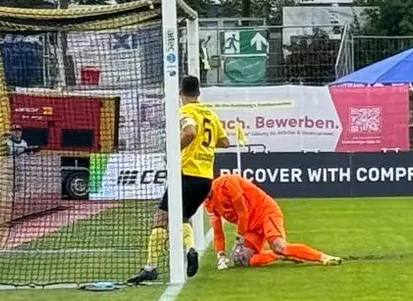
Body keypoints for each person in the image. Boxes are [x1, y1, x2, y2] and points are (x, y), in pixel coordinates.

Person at [129, 76, 229, 285]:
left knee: (160, 218)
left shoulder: (185, 111)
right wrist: (204, 148)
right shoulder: (210, 114)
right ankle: (190, 249)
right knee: (182, 218)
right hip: (205, 178)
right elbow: (225, 142)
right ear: (198, 93)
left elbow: (190, 132)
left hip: (186, 173)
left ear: (181, 93)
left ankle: (151, 266)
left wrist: (174, 149)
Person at [207, 173, 342, 268]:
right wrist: (221, 255)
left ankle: (323, 257)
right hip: (250, 226)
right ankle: (277, 256)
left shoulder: (228, 183)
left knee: (279, 246)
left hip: (265, 213)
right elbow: (217, 230)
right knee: (242, 261)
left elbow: (243, 214)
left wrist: (239, 241)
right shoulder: (207, 202)